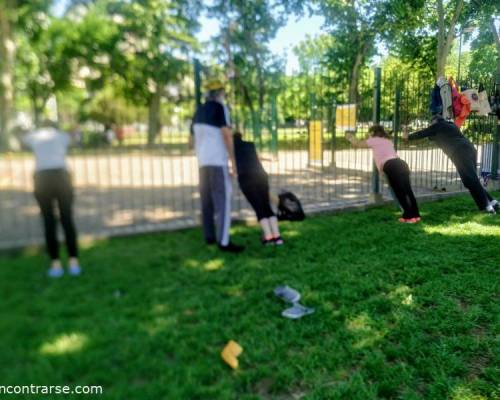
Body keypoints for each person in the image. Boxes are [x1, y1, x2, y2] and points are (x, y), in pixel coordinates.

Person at [404, 115, 499, 214]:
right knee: (471, 180)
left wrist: (408, 136)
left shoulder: (438, 125)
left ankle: (488, 207)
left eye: (431, 124)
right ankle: (491, 203)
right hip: (470, 149)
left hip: (459, 152)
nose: (431, 126)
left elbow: (422, 133)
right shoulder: (451, 125)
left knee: (471, 180)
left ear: (435, 122)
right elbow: (431, 136)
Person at [191, 79, 244, 253]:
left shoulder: (198, 111)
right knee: (223, 202)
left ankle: (209, 237)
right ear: (220, 93)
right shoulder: (221, 108)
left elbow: (190, 141)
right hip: (217, 162)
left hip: (202, 163)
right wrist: (233, 160)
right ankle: (224, 241)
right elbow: (226, 135)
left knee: (206, 202)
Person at [24, 120, 82, 277]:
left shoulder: (34, 136)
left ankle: (55, 264)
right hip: (62, 176)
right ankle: (73, 262)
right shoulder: (62, 136)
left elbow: (23, 140)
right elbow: (73, 137)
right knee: (67, 218)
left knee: (48, 220)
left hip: (42, 177)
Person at [348, 125, 421, 223]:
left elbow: (357, 144)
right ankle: (416, 215)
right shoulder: (387, 141)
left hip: (391, 166)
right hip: (401, 163)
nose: (368, 135)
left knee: (400, 193)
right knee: (408, 191)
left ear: (373, 133)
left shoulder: (374, 140)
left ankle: (408, 217)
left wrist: (349, 137)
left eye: (369, 133)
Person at [233, 132, 283, 245]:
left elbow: (232, 164)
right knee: (266, 206)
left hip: (246, 178)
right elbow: (258, 158)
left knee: (259, 208)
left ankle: (268, 237)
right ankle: (278, 237)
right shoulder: (250, 145)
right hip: (261, 175)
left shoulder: (231, 148)